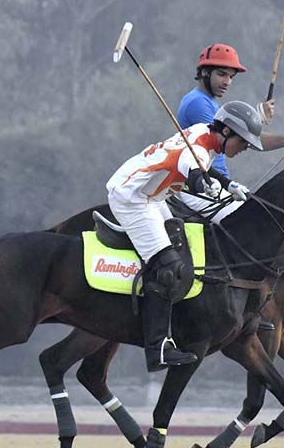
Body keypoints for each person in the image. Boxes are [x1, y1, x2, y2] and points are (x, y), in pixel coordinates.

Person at [106, 101, 264, 372]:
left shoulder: (205, 135)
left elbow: (202, 167)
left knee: (182, 250)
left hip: (153, 197)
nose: (245, 148)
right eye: (244, 142)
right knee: (169, 268)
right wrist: (205, 186)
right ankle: (157, 349)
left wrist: (227, 184)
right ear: (226, 131)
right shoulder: (198, 150)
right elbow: (193, 169)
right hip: (132, 197)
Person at [176, 43, 284, 222]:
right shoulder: (197, 103)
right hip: (201, 186)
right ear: (205, 72)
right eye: (221, 74)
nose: (227, 82)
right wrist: (257, 119)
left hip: (218, 184)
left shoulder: (210, 102)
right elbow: (233, 137)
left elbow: (244, 139)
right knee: (252, 224)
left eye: (231, 76)